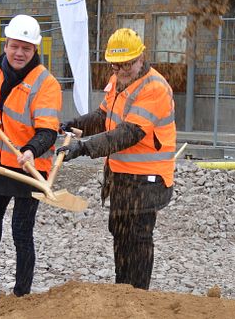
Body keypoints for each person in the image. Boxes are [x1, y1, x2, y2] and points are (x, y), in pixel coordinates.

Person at [57, 28, 176, 290]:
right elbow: (103, 116)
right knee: (120, 233)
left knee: (138, 237)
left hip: (148, 180)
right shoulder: (116, 81)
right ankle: (122, 294)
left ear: (141, 58)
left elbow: (129, 133)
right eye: (116, 65)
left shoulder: (154, 88)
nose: (122, 71)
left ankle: (138, 297)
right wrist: (75, 124)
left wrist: (85, 148)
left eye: (128, 65)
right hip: (121, 176)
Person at [0, 14, 62, 299]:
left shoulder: (46, 83)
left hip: (29, 167)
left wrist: (30, 150)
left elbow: (48, 131)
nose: (19, 53)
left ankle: (22, 293)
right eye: (14, 46)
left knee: (21, 231)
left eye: (27, 48)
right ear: (6, 44)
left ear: (35, 50)